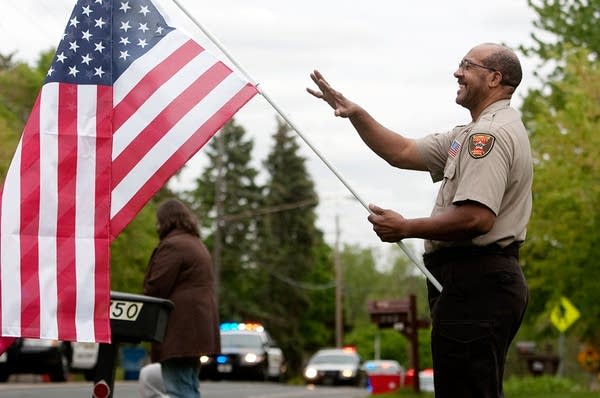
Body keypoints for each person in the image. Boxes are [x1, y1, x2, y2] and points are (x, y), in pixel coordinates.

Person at [308, 43, 531, 398]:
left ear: (494, 78)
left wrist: (405, 228)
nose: (457, 73)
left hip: (477, 282)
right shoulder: (470, 133)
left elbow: (477, 218)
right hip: (478, 283)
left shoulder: (486, 136)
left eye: (466, 66)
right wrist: (355, 114)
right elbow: (402, 152)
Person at [141, 198, 220, 398]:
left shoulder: (173, 246)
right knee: (189, 387)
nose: (157, 226)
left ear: (167, 221)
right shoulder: (195, 243)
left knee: (179, 391)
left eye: (159, 221)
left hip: (181, 332)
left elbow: (156, 288)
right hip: (196, 331)